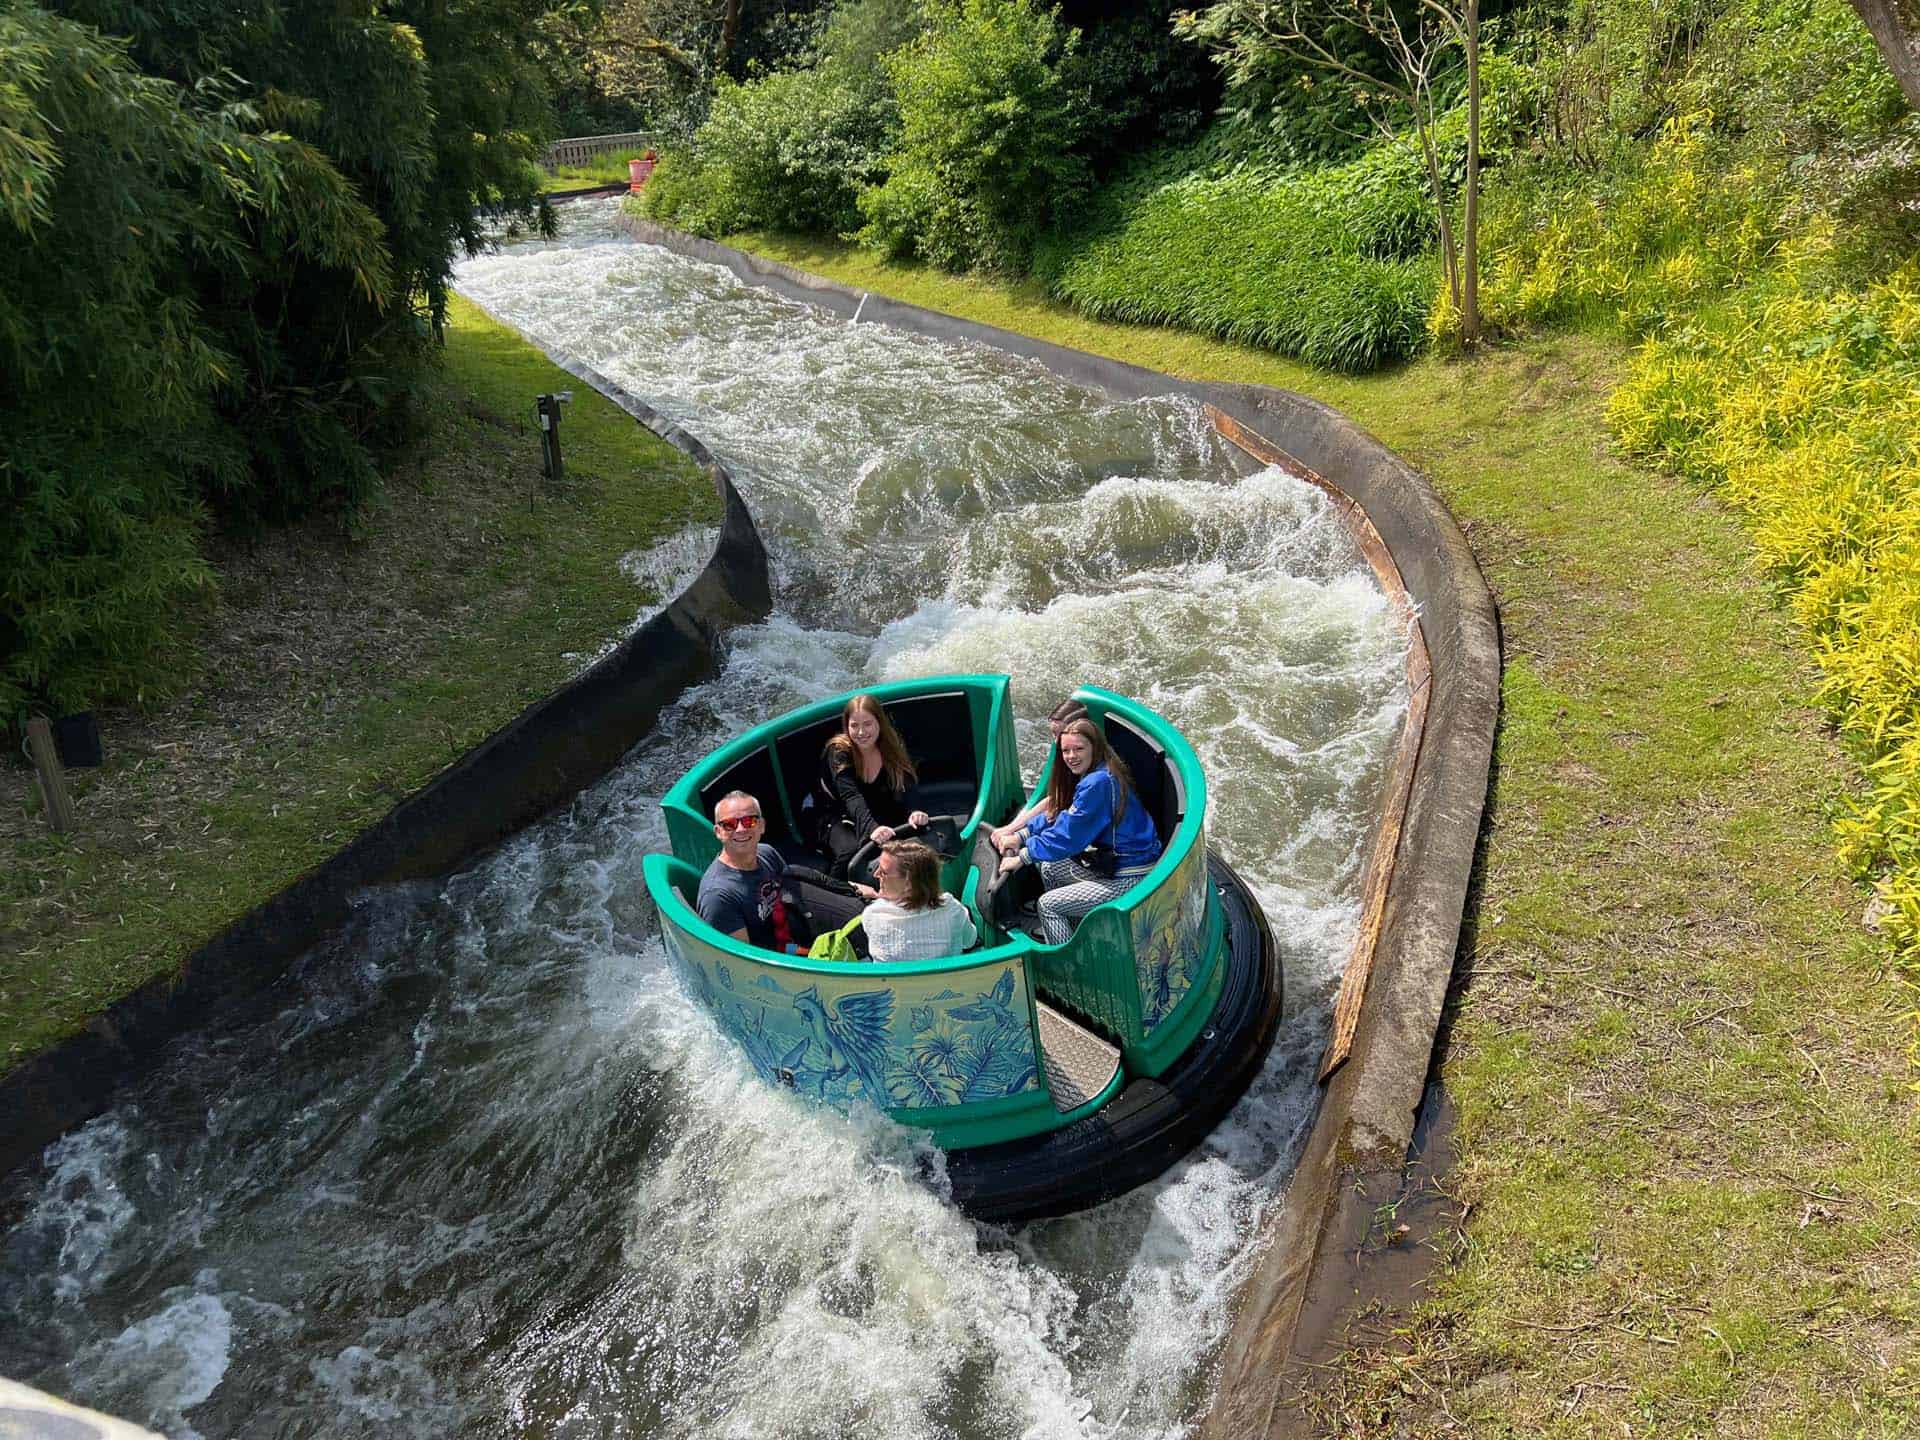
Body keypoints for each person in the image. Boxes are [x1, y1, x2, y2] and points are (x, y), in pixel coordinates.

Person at [995, 719, 1162, 946]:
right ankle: (1074, 932)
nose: (1071, 756)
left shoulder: (1098, 783)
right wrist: (1020, 836)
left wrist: (1022, 857)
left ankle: (1071, 959)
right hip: (1117, 866)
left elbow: (1068, 837)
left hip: (1130, 877)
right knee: (1051, 867)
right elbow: (1063, 814)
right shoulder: (1098, 772)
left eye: (1079, 749)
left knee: (1048, 906)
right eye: (1066, 750)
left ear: (1095, 747)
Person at [697, 791, 861, 951]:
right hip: (779, 958)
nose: (740, 829)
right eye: (729, 824)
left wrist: (853, 888)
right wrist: (808, 955)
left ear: (762, 826)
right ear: (718, 832)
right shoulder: (718, 896)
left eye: (749, 821)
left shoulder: (766, 853)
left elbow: (799, 886)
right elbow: (741, 959)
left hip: (794, 934)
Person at [811, 693, 930, 875]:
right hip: (833, 814)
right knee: (849, 851)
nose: (861, 732)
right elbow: (851, 796)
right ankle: (836, 895)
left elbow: (906, 780)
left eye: (867, 724)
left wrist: (915, 811)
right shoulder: (838, 752)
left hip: (872, 809)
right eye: (854, 726)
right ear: (846, 726)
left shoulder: (890, 745)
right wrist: (872, 828)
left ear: (879, 723)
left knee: (917, 836)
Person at [988, 698, 1088, 855]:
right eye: (1053, 735)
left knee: (1047, 866)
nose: (1056, 742)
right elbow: (1056, 800)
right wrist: (1012, 829)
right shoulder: (1069, 761)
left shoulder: (1096, 780)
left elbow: (1070, 829)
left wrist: (1022, 851)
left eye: (1061, 734)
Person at [851, 839, 977, 962]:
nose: (876, 874)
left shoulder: (872, 915)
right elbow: (970, 940)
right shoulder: (952, 909)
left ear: (908, 884)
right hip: (947, 983)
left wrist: (877, 897)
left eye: (883, 872)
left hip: (891, 983)